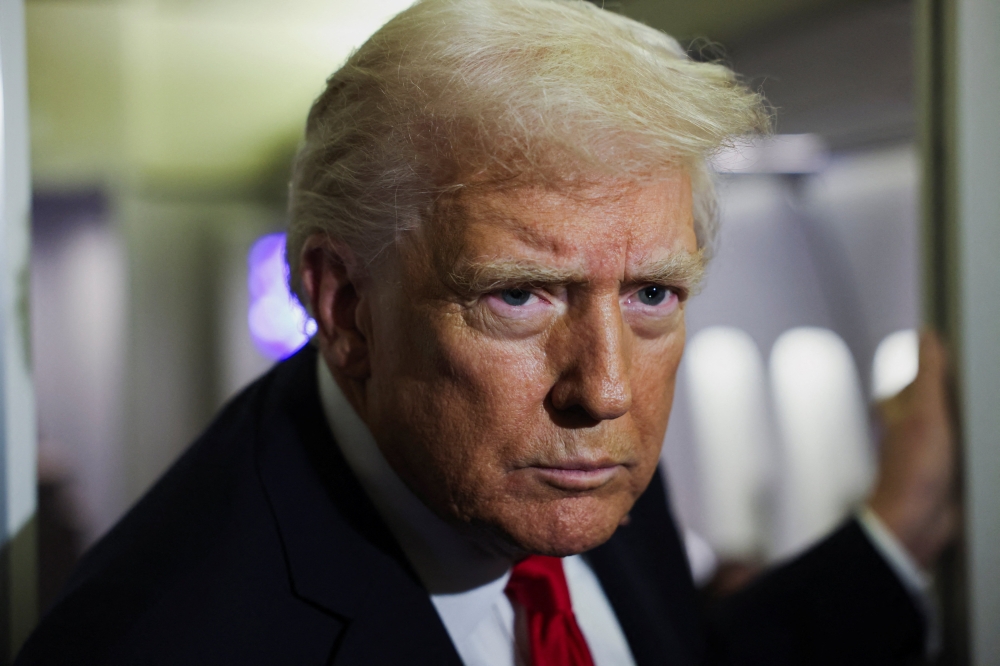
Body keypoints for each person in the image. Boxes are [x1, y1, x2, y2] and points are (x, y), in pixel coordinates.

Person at [16, 0, 957, 663]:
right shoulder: (170, 637)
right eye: (520, 298)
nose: (607, 389)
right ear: (345, 312)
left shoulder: (563, 454)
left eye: (654, 294)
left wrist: (890, 531)